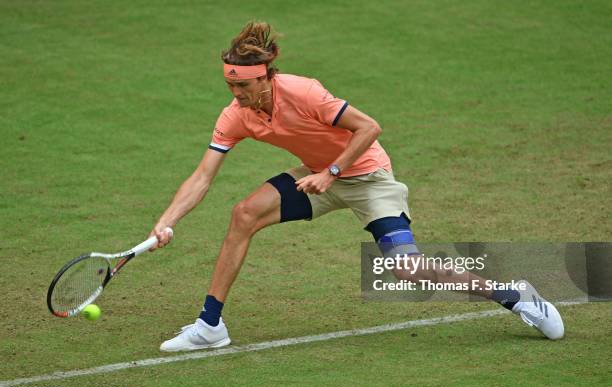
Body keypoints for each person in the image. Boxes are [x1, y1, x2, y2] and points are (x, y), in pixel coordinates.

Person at [149, 22, 564, 352]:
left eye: (243, 86)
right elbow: (203, 176)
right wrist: (165, 222)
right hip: (317, 175)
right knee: (243, 214)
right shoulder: (236, 115)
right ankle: (210, 325)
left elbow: (369, 128)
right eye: (230, 87)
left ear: (265, 79)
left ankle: (514, 295)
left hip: (366, 176)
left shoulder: (304, 91)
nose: (236, 95)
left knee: (406, 266)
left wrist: (332, 170)